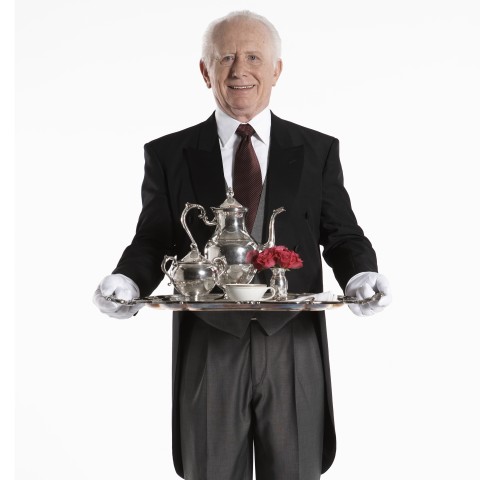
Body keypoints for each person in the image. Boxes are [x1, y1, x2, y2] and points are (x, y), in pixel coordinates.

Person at [93, 10, 392, 480]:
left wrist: (361, 274)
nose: (239, 70)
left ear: (276, 69)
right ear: (204, 70)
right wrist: (127, 281)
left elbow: (341, 233)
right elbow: (153, 238)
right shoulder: (169, 154)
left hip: (293, 341)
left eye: (254, 56)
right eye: (226, 57)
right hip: (210, 343)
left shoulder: (317, 151)